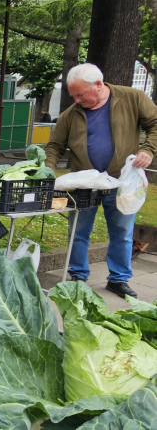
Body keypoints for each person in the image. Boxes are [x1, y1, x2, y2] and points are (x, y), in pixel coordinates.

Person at [44, 63, 157, 299]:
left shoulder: (132, 98)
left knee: (122, 233)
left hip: (121, 182)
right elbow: (54, 146)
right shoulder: (71, 114)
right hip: (84, 185)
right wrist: (47, 170)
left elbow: (155, 124)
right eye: (73, 94)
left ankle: (118, 279)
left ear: (98, 85)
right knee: (78, 231)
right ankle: (78, 276)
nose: (76, 100)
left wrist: (149, 149)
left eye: (80, 94)